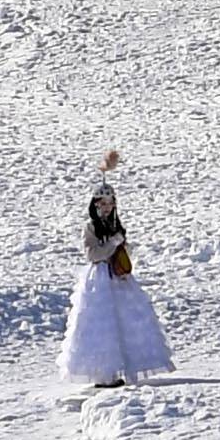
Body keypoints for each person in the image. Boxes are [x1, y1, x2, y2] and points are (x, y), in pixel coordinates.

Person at [61, 149, 174, 387]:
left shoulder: (115, 225)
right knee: (103, 325)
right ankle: (104, 373)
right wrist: (112, 245)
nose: (107, 208)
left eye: (110, 203)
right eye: (102, 203)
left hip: (118, 278)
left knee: (124, 321)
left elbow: (121, 250)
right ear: (95, 204)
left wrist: (123, 248)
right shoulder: (91, 228)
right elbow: (92, 254)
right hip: (100, 280)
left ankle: (125, 366)